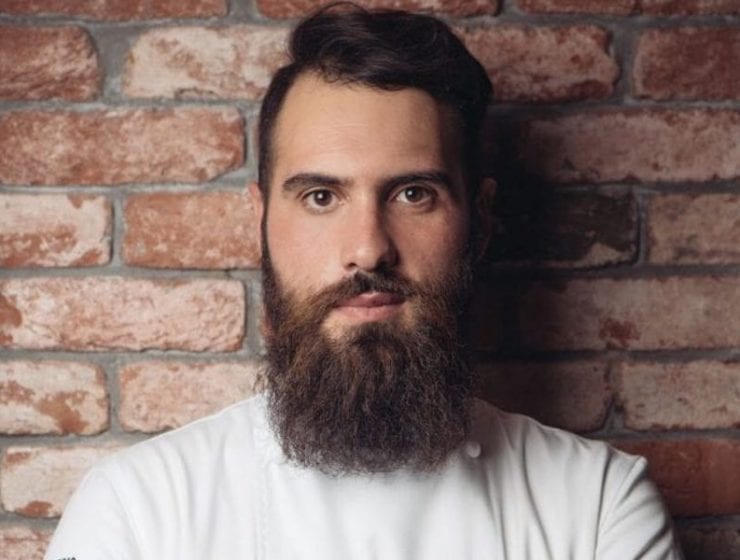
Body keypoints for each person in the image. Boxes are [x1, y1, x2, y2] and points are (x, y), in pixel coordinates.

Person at [45, 4, 683, 559]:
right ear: (261, 222)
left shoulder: (596, 505)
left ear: (481, 220)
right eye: (321, 197)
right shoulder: (136, 511)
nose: (369, 248)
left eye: (413, 194)